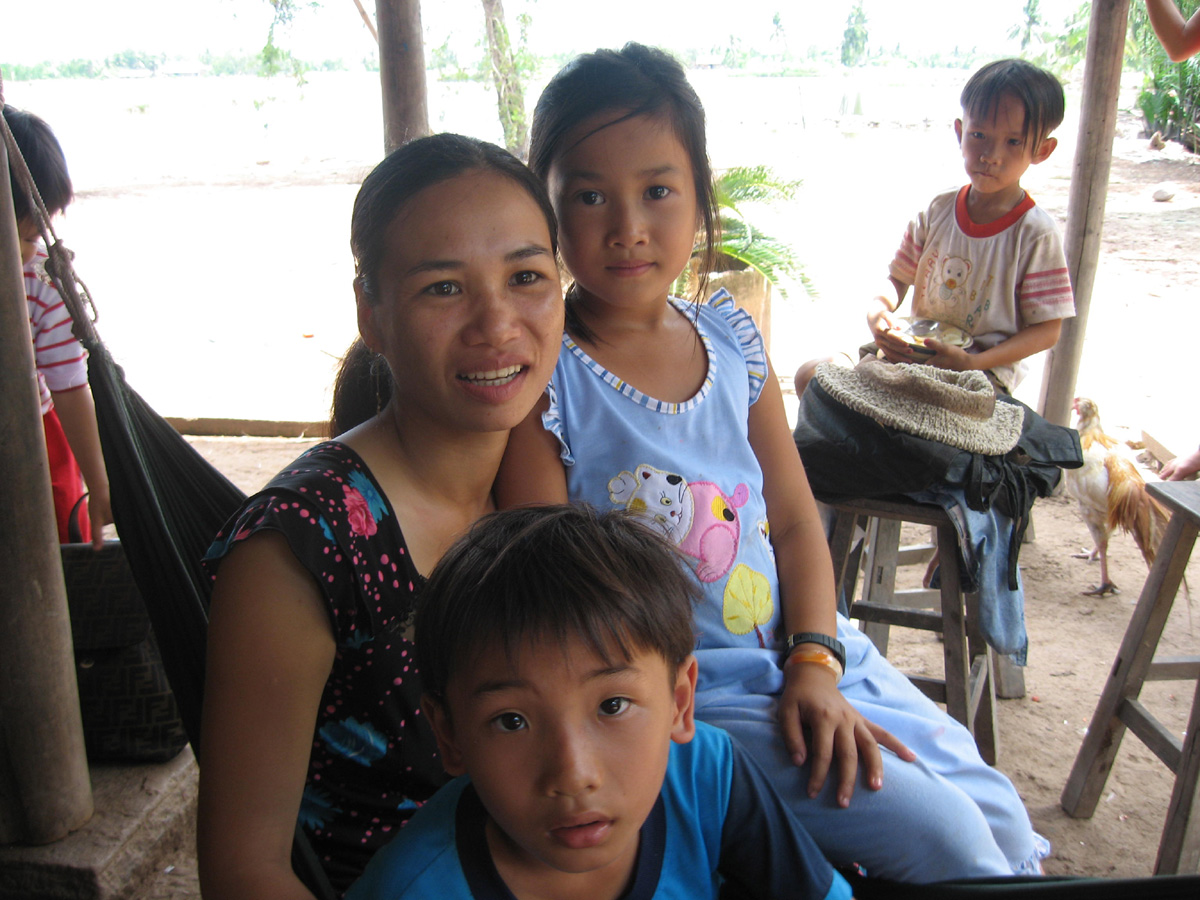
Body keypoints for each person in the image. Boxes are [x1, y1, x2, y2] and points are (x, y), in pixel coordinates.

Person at [496, 43, 1049, 883]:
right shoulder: (551, 380)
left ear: (698, 193)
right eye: (588, 196)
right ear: (548, 208)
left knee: (1002, 821)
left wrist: (816, 660)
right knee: (948, 843)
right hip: (693, 698)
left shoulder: (731, 342)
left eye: (657, 190)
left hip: (814, 651)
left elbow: (793, 522)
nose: (628, 227)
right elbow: (556, 596)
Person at [197, 133, 565, 899]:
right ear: (371, 310)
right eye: (443, 287)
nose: (496, 324)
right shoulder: (299, 547)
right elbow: (244, 869)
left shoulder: (550, 472)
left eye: (526, 276)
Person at [346, 504, 853, 900]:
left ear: (680, 702)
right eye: (512, 720)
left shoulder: (706, 778)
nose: (573, 773)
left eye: (612, 706)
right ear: (450, 733)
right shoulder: (415, 889)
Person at [805, 58, 1074, 399]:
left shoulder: (1035, 234)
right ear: (960, 133)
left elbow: (1048, 330)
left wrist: (973, 363)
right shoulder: (938, 211)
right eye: (979, 135)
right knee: (810, 378)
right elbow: (897, 279)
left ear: (1042, 150)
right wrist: (878, 312)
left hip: (981, 377)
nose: (991, 154)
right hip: (914, 357)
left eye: (1013, 142)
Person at [5, 105, 112, 547]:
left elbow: (69, 387)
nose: (29, 251)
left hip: (37, 441)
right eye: (22, 237)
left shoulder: (42, 283)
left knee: (56, 539)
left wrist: (99, 485)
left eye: (34, 239)